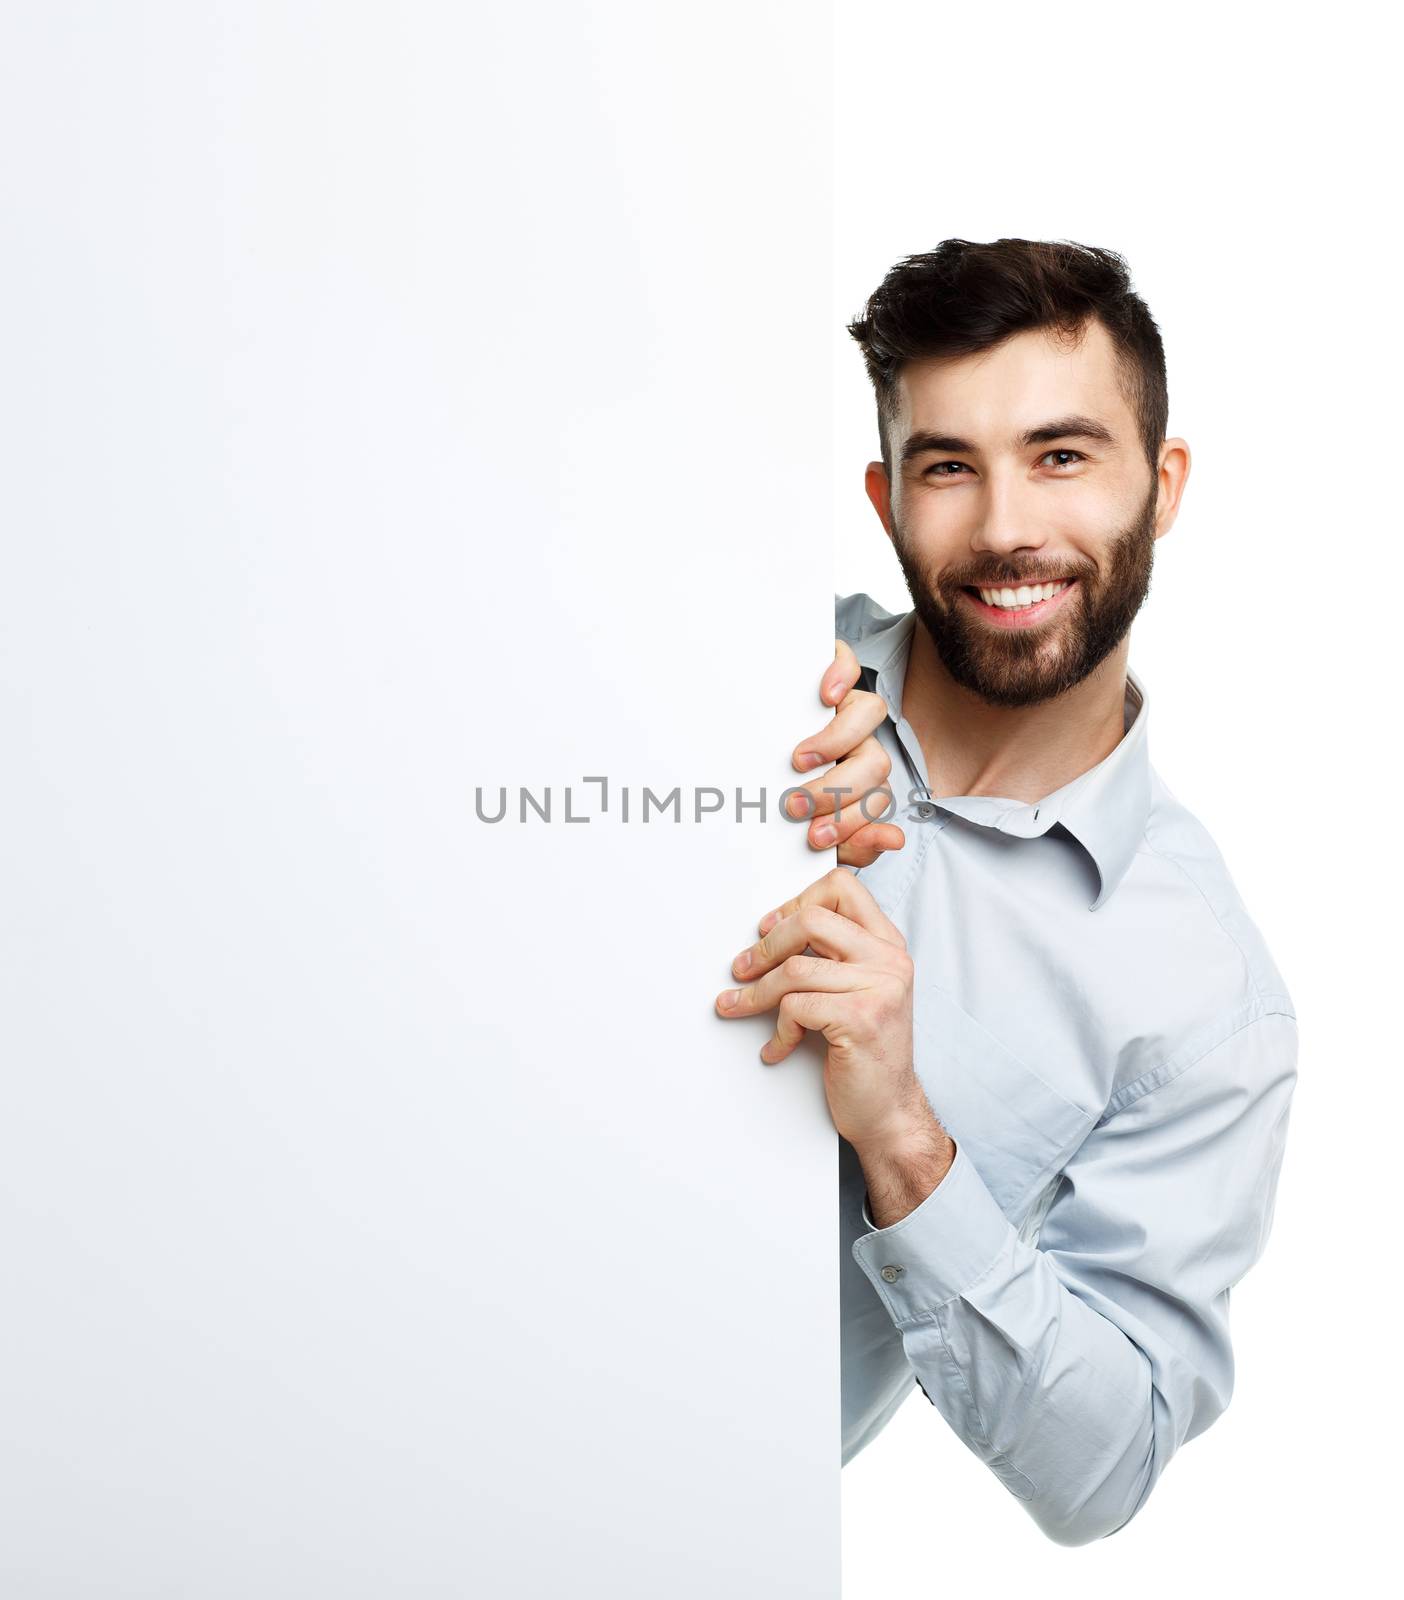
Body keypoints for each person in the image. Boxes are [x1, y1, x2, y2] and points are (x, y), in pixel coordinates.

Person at [714, 239, 1297, 1545]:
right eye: (947, 468)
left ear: (1165, 481)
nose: (1004, 529)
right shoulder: (740, 662)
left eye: (1061, 455)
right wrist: (719, 758)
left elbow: (1104, 1470)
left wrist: (909, 1143)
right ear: (884, 499)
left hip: (682, 1539)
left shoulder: (1208, 996)